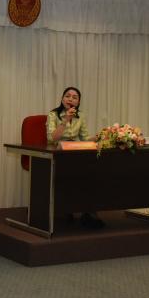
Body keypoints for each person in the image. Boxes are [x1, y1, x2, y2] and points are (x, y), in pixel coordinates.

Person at [45, 86, 104, 229]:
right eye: (67, 96)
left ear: (78, 102)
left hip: (75, 154)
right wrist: (66, 120)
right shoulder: (53, 115)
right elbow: (52, 138)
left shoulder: (81, 116)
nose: (70, 99)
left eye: (74, 97)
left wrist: (98, 137)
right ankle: (68, 209)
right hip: (58, 154)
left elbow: (84, 138)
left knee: (92, 172)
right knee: (76, 174)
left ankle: (88, 213)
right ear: (62, 99)